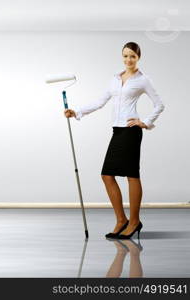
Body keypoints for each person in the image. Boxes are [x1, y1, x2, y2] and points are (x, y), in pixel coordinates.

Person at [64, 42, 165, 239]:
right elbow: (100, 102)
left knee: (131, 176)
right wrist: (76, 111)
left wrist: (145, 122)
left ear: (138, 58)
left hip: (131, 131)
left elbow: (159, 104)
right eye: (125, 56)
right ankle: (121, 220)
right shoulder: (114, 79)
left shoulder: (143, 80)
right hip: (117, 131)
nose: (128, 60)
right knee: (107, 175)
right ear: (122, 57)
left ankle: (134, 221)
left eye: (132, 57)